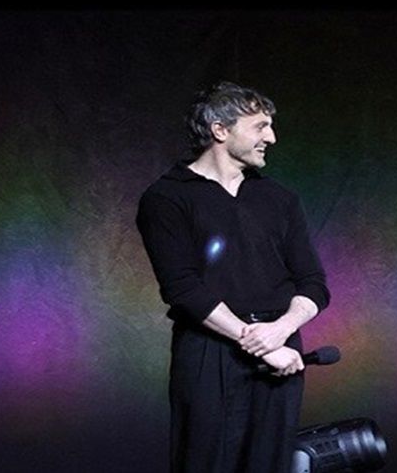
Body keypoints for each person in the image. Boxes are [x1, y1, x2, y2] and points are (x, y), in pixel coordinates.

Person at [136, 81, 330, 473]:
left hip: (281, 348)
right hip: (210, 353)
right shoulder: (167, 198)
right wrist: (257, 342)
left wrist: (281, 331)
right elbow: (183, 288)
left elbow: (313, 282)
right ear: (220, 130)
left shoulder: (279, 199)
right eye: (260, 127)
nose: (271, 138)